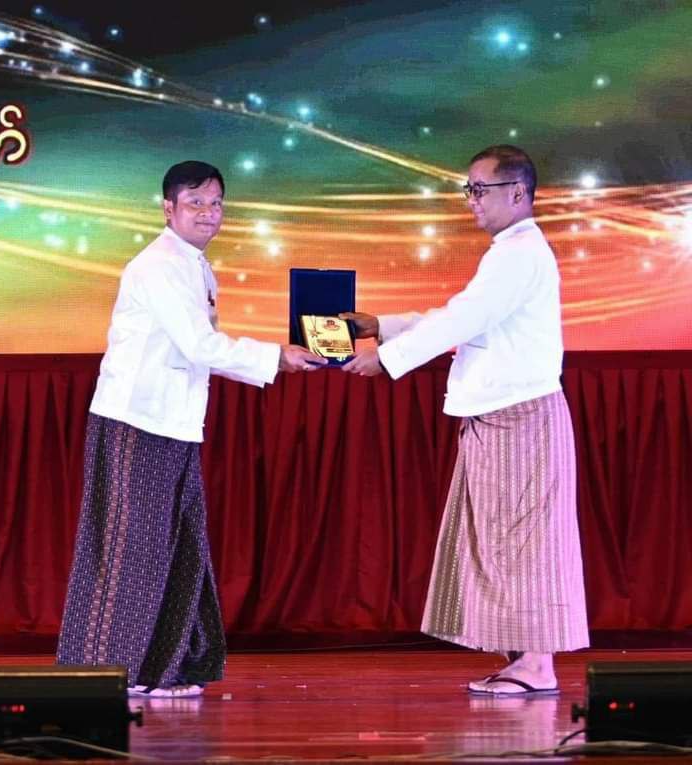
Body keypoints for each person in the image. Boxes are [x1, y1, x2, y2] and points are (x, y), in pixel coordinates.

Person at [56, 161, 324, 698]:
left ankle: (162, 668)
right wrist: (277, 356)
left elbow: (202, 349)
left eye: (216, 203)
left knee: (178, 544)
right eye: (196, 203)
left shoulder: (194, 266)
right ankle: (102, 676)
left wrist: (283, 357)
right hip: (136, 421)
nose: (208, 213)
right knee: (130, 551)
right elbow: (199, 346)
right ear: (168, 209)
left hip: (173, 423)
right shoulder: (159, 265)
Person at [341, 145, 589, 695]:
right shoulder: (508, 253)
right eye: (468, 190)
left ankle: (536, 666)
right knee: (502, 540)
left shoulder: (518, 253)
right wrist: (384, 325)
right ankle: (524, 661)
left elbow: (463, 319)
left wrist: (386, 357)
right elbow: (464, 315)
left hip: (519, 415)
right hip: (501, 416)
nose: (471, 200)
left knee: (525, 542)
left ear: (518, 193)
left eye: (481, 189)